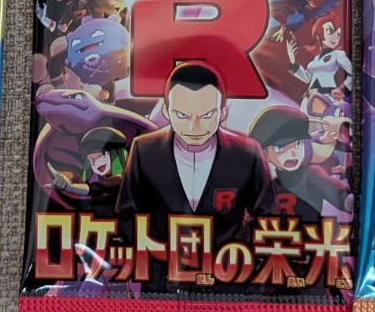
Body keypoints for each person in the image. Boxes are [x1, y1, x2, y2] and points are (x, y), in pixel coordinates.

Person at [115, 63, 274, 251]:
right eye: (182, 115)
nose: (193, 127)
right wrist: (153, 253)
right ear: (166, 112)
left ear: (223, 113)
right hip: (162, 263)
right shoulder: (143, 149)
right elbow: (126, 213)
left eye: (206, 115)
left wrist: (238, 251)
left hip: (227, 263)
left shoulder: (248, 153)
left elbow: (267, 217)